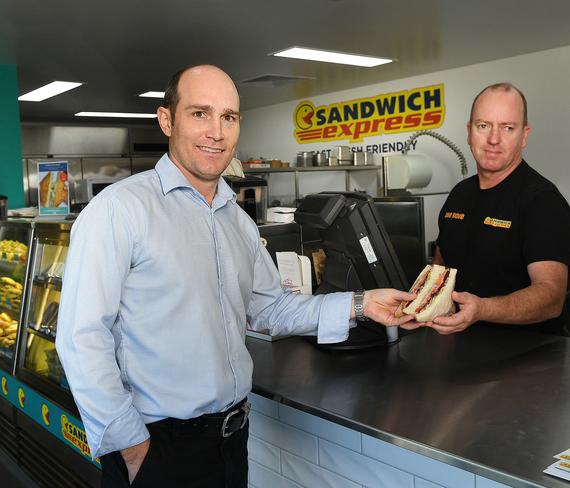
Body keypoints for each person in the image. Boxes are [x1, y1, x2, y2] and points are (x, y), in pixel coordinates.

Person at [55, 64, 416, 488]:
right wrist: (132, 448)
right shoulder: (120, 210)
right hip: (158, 448)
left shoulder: (237, 221)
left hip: (231, 439)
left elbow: (271, 309)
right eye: (199, 113)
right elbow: (81, 338)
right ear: (167, 120)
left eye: (229, 117)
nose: (217, 132)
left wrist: (363, 304)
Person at [423, 82, 570, 336]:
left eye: (507, 128)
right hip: (464, 347)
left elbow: (551, 296)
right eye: (483, 126)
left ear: (524, 135)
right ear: (469, 132)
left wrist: (481, 309)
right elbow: (441, 265)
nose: (493, 139)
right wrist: (419, 301)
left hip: (532, 360)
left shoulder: (542, 201)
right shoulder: (459, 194)